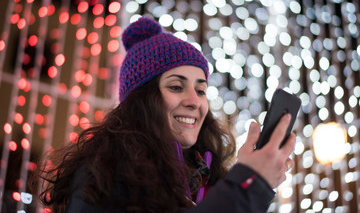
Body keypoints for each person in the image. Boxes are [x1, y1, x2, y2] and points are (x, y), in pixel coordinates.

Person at [36, 17, 296, 213]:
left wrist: (253, 184)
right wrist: (249, 183)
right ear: (141, 100)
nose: (195, 101)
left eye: (201, 90)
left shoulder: (203, 176)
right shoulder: (103, 173)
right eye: (175, 86)